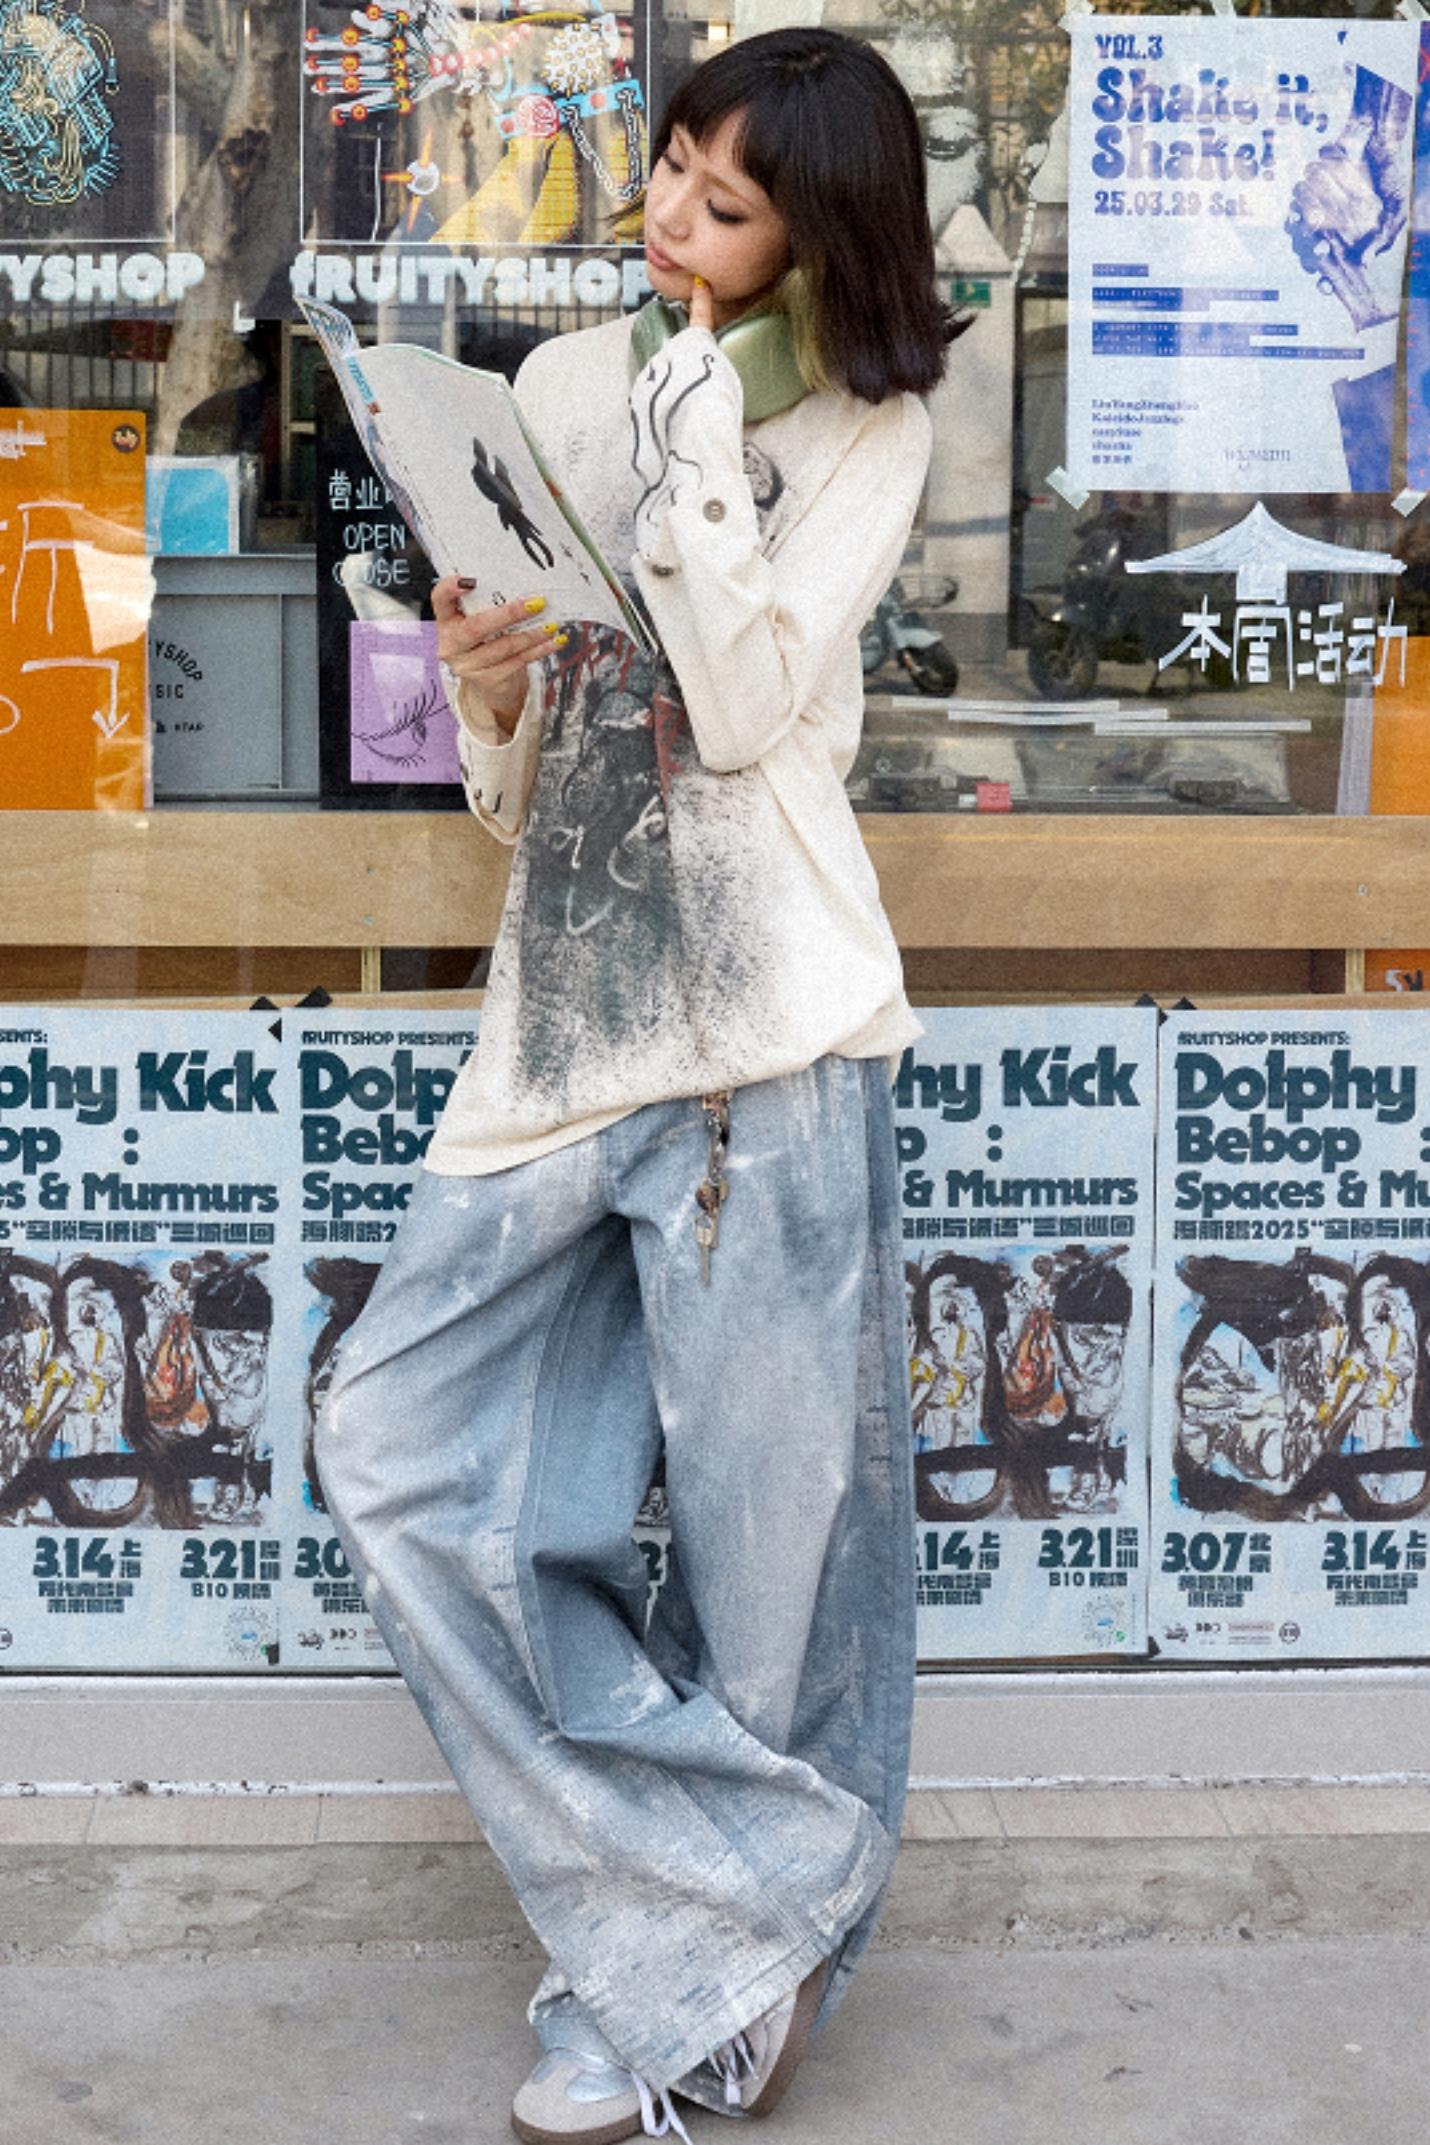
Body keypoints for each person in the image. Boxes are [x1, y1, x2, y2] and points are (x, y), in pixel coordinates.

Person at [315, 26, 956, 2145]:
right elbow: (538, 802)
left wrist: (695, 452)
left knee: (776, 1573)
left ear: (817, 242)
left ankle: (700, 1993)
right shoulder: (572, 384)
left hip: (771, 1037)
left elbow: (752, 710)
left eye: (725, 203)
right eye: (670, 168)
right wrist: (486, 688)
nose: (669, 218)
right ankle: (709, 1915)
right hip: (569, 1033)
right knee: (399, 1452)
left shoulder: (865, 429)